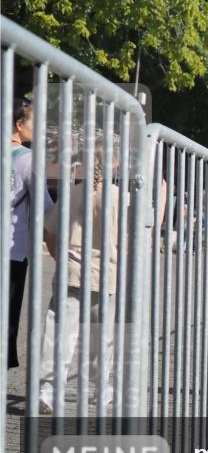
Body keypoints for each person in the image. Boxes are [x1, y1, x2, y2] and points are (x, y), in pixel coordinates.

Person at [38, 155, 123, 414]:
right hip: (106, 275)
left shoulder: (73, 193)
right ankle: (100, 388)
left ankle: (49, 389)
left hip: (71, 272)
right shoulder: (121, 197)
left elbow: (50, 234)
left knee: (58, 331)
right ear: (115, 164)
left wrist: (61, 259)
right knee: (101, 336)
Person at [7, 98, 54, 369]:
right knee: (7, 320)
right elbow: (44, 207)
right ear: (19, 124)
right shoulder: (28, 160)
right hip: (12, 250)